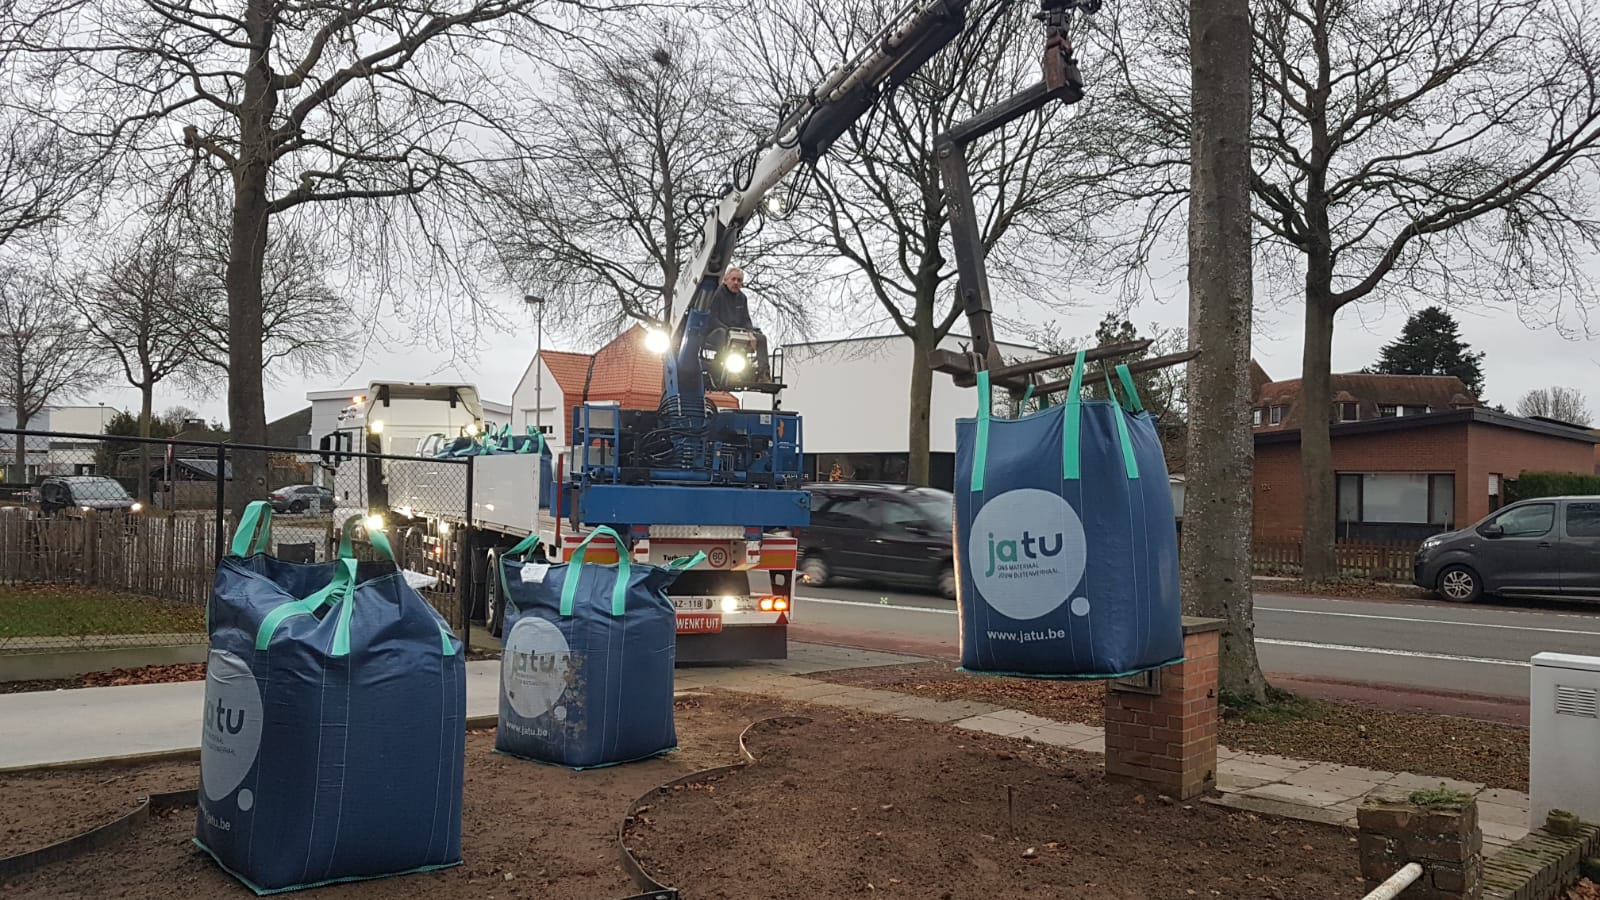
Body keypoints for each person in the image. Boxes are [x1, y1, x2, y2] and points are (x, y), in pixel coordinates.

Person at [707, 267, 771, 382]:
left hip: (737, 332)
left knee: (761, 338)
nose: (736, 282)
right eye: (733, 279)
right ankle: (729, 371)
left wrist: (750, 333)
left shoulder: (742, 298)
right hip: (717, 332)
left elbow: (746, 319)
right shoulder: (717, 294)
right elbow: (711, 318)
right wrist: (729, 331)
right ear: (726, 280)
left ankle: (763, 374)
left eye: (739, 280)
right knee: (724, 335)